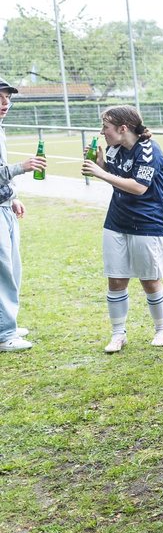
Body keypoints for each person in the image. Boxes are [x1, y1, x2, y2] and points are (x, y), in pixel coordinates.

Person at [81, 106, 163, 353]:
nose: (102, 133)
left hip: (148, 221)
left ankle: (162, 329)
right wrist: (102, 163)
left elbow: (139, 187)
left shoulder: (149, 150)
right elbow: (119, 174)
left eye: (106, 128)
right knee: (116, 278)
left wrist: (100, 173)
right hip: (117, 220)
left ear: (123, 129)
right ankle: (117, 334)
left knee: (149, 279)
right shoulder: (114, 149)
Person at [0, 78, 44, 352]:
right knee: (4, 270)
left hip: (4, 207)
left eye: (8, 99)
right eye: (0, 99)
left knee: (12, 267)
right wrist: (21, 167)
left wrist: (12, 197)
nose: (6, 104)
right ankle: (6, 334)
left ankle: (7, 323)